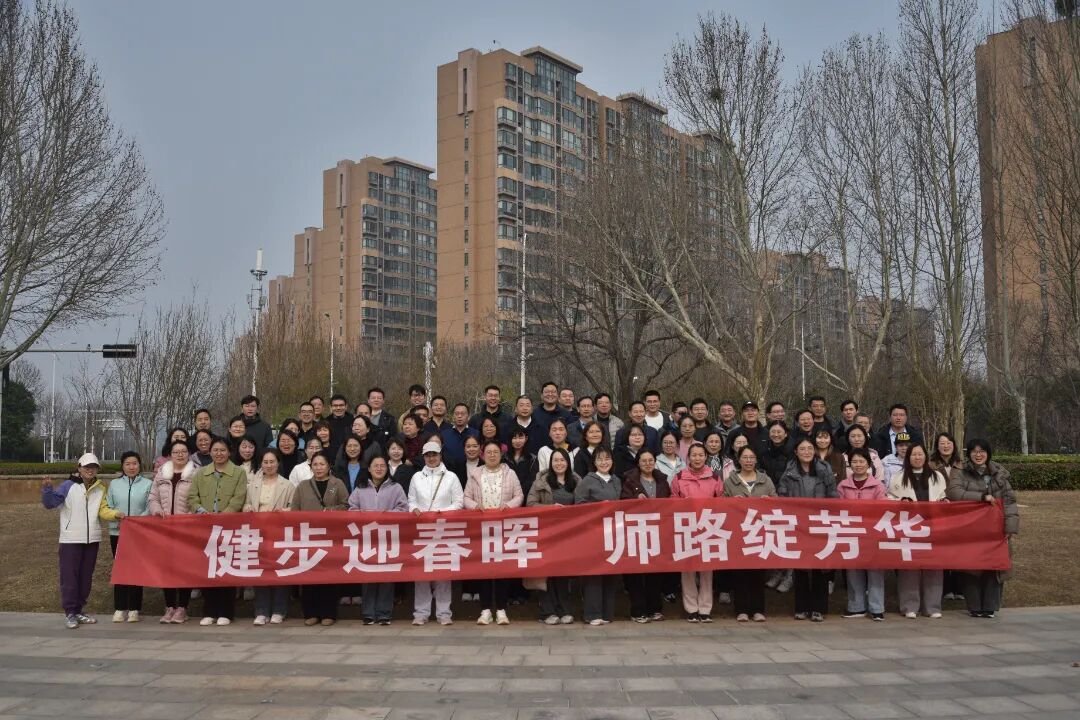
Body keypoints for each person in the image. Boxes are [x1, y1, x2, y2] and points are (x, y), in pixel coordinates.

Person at [41, 452, 116, 629]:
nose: (90, 470)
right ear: (79, 468)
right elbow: (50, 503)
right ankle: (70, 613)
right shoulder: (68, 486)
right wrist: (47, 489)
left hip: (92, 539)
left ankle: (79, 610)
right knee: (69, 577)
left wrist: (116, 515)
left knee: (85, 577)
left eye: (94, 467)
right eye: (87, 467)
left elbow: (103, 510)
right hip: (71, 539)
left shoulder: (100, 488)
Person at [946, 438, 1019, 619]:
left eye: (982, 451)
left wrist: (1010, 527)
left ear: (988, 453)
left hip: (995, 529)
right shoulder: (960, 471)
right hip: (971, 528)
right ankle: (974, 606)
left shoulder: (999, 473)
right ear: (969, 454)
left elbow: (1009, 501)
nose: (978, 455)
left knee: (994, 566)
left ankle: (990, 606)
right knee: (972, 566)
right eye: (974, 451)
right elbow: (954, 493)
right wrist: (981, 497)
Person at [191, 437, 249, 626]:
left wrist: (223, 516)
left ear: (229, 452)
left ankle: (226, 612)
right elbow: (192, 497)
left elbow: (239, 498)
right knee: (208, 569)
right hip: (205, 528)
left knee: (226, 569)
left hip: (228, 528)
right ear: (210, 452)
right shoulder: (201, 473)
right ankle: (209, 611)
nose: (219, 453)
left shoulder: (239, 473)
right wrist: (201, 511)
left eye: (223, 450)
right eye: (215, 450)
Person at [465, 441, 525, 626]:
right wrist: (475, 506)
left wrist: (509, 506)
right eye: (488, 452)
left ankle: (501, 609)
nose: (492, 455)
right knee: (483, 570)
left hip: (503, 528)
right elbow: (466, 497)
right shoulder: (475, 474)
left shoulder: (510, 473)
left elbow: (519, 495)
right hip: (481, 529)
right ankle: (485, 610)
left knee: (502, 569)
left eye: (495, 452)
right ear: (483, 455)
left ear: (501, 454)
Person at [778, 438, 838, 622]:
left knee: (820, 567)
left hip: (820, 523)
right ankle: (802, 607)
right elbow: (782, 495)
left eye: (810, 448)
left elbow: (833, 494)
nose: (806, 452)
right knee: (801, 568)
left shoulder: (825, 469)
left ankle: (819, 608)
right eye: (802, 449)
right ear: (796, 452)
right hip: (798, 525)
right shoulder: (789, 471)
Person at [887, 442, 948, 619]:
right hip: (909, 527)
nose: (917, 457)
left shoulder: (937, 476)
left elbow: (943, 496)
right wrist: (900, 502)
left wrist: (944, 502)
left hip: (933, 526)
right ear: (908, 457)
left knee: (934, 567)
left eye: (920, 454)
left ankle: (932, 606)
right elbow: (889, 498)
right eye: (914, 454)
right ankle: (909, 606)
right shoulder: (899, 477)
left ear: (926, 456)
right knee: (909, 568)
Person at [408, 442, 464, 625]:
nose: (431, 458)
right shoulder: (416, 477)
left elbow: (459, 502)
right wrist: (414, 509)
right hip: (422, 530)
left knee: (443, 573)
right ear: (423, 457)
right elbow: (411, 501)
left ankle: (444, 613)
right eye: (428, 455)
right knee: (421, 573)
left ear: (440, 455)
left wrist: (442, 512)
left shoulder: (451, 477)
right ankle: (421, 613)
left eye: (434, 454)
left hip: (444, 530)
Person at [347, 456, 408, 625]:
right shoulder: (360, 488)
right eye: (375, 466)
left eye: (382, 466)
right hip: (367, 539)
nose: (379, 469)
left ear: (387, 469)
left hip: (388, 538)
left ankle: (384, 613)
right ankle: (368, 613)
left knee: (387, 576)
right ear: (369, 469)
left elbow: (404, 508)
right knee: (368, 575)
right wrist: (364, 516)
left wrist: (386, 516)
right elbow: (351, 508)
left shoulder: (396, 487)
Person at [291, 452, 347, 626]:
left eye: (322, 464)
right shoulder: (303, 486)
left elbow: (346, 506)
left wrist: (330, 511)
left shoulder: (337, 484)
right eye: (315, 464)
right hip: (308, 537)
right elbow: (294, 510)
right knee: (309, 575)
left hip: (331, 537)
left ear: (329, 466)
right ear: (311, 467)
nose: (319, 468)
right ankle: (311, 613)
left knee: (329, 575)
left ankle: (328, 613)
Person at [722, 446, 776, 622]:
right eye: (744, 457)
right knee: (740, 573)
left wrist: (769, 502)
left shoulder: (765, 480)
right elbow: (721, 504)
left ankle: (758, 609)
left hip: (760, 533)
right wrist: (730, 502)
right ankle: (742, 610)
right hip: (738, 533)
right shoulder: (730, 481)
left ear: (756, 460)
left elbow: (777, 502)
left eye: (751, 457)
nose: (748, 461)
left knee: (758, 573)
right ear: (738, 460)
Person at [527, 448, 579, 625]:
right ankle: (547, 611)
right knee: (546, 573)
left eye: (562, 460)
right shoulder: (541, 481)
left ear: (568, 463)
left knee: (563, 573)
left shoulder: (576, 480)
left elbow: (583, 505)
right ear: (550, 463)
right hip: (546, 534)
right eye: (555, 460)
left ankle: (565, 610)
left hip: (568, 535)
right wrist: (550, 509)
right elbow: (531, 504)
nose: (559, 463)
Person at [243, 448, 295, 625]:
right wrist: (247, 508)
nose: (269, 465)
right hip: (258, 533)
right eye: (265, 462)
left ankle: (279, 610)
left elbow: (295, 508)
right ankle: (261, 610)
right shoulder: (252, 485)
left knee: (280, 570)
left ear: (278, 463)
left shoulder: (287, 485)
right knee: (261, 571)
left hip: (279, 533)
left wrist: (286, 511)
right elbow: (246, 504)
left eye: (272, 462)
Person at [670, 443, 721, 623]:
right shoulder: (679, 477)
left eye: (701, 455)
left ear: (706, 457)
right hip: (687, 527)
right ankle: (691, 608)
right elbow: (672, 500)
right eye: (694, 455)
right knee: (688, 569)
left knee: (707, 570)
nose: (697, 458)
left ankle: (705, 609)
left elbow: (721, 500)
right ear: (688, 457)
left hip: (708, 527)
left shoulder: (714, 477)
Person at [148, 441, 198, 623]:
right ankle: (169, 606)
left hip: (187, 531)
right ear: (170, 455)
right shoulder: (162, 474)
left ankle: (182, 608)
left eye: (183, 451)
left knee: (185, 568)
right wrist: (156, 510)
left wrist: (191, 515)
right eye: (176, 452)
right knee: (166, 568)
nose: (180, 455)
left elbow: (199, 498)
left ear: (189, 454)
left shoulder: (196, 474)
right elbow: (152, 497)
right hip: (165, 529)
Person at [620, 449, 671, 623]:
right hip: (636, 531)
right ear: (638, 463)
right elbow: (622, 502)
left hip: (657, 531)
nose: (648, 464)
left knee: (655, 573)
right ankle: (638, 611)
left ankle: (654, 609)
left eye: (651, 460)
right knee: (636, 574)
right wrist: (635, 498)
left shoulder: (662, 480)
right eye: (644, 461)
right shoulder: (630, 480)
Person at [837, 448, 887, 621]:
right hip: (851, 532)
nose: (858, 465)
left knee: (875, 571)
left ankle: (877, 608)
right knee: (853, 571)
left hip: (873, 533)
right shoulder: (843, 485)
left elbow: (882, 508)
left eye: (861, 461)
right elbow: (838, 508)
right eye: (854, 462)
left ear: (868, 464)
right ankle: (856, 606)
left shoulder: (878, 486)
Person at [575, 447, 621, 626]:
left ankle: (607, 613)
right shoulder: (587, 481)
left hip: (613, 533)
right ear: (594, 462)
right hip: (593, 533)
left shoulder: (616, 480)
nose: (604, 462)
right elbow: (579, 505)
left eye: (607, 458)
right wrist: (598, 507)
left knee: (610, 572)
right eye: (600, 459)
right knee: (594, 573)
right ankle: (592, 614)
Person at [105, 451, 152, 623]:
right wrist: (116, 515)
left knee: (136, 569)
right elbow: (108, 506)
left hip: (139, 534)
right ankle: (120, 607)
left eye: (134, 463)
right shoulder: (114, 484)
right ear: (122, 466)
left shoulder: (148, 484)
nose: (131, 467)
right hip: (118, 533)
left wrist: (138, 521)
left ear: (139, 465)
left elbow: (150, 507)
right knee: (121, 569)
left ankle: (134, 609)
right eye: (128, 464)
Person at [929, 431, 967, 601]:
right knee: (942, 549)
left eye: (949, 443)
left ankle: (959, 587)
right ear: (937, 446)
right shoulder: (930, 465)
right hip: (940, 512)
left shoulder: (962, 465)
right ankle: (946, 588)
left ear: (954, 445)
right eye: (942, 443)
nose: (945, 446)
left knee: (959, 549)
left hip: (960, 512)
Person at [441, 403, 479, 479]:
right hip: (448, 475)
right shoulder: (444, 434)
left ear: (468, 416)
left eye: (463, 414)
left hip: (471, 474)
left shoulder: (476, 434)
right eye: (457, 414)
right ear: (453, 416)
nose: (459, 416)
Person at [504, 428, 537, 501]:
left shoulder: (532, 458)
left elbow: (532, 479)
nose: (517, 441)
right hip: (507, 496)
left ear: (526, 438)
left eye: (520, 437)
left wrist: (520, 494)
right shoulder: (504, 458)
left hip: (526, 496)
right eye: (514, 438)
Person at [761, 421, 792, 486]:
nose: (776, 435)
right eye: (773, 432)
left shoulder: (792, 450)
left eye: (779, 432)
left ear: (785, 434)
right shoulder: (764, 449)